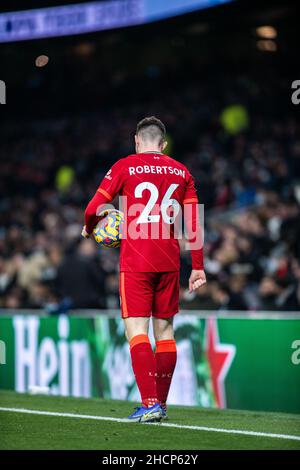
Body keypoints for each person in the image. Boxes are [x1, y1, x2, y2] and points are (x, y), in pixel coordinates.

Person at [82, 116, 206, 422]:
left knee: (136, 331)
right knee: (165, 332)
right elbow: (193, 223)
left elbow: (91, 209)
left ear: (137, 141)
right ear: (163, 144)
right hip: (169, 260)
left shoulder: (125, 166)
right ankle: (160, 405)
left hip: (137, 260)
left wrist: (89, 227)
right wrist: (198, 267)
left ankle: (149, 402)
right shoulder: (182, 171)